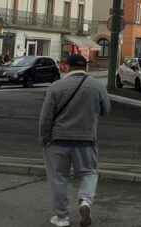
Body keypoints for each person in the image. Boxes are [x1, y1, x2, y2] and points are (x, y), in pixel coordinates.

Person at [39, 54, 111, 227]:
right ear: (85, 67)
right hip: (86, 139)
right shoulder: (97, 86)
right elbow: (106, 110)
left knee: (58, 177)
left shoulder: (56, 87)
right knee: (89, 172)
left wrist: (44, 138)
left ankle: (62, 218)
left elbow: (45, 117)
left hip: (57, 140)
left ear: (67, 67)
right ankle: (85, 201)